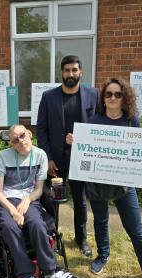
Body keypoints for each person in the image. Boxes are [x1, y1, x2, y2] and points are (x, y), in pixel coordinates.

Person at [66, 77, 142, 278]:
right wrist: (74, 142)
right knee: (100, 221)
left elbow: (139, 150)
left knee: (135, 228)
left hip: (124, 183)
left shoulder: (131, 120)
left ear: (124, 97)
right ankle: (103, 255)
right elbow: (86, 151)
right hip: (98, 182)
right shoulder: (93, 121)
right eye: (108, 94)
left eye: (117, 94)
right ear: (103, 97)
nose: (112, 98)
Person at [0, 124, 81, 278]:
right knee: (8, 227)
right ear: (12, 144)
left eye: (22, 136)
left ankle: (50, 272)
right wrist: (13, 211)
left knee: (37, 224)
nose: (21, 141)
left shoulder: (40, 155)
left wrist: (27, 199)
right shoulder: (4, 156)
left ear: (29, 134)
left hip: (30, 198)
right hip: (8, 200)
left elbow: (39, 189)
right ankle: (26, 274)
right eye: (15, 140)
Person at [36, 55, 98, 257]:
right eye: (66, 70)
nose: (70, 74)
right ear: (61, 73)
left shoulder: (94, 95)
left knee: (80, 200)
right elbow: (42, 130)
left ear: (81, 72)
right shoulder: (49, 96)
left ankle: (81, 239)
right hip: (57, 159)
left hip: (82, 159)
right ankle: (51, 237)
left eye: (74, 70)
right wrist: (48, 158)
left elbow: (102, 126)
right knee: (52, 200)